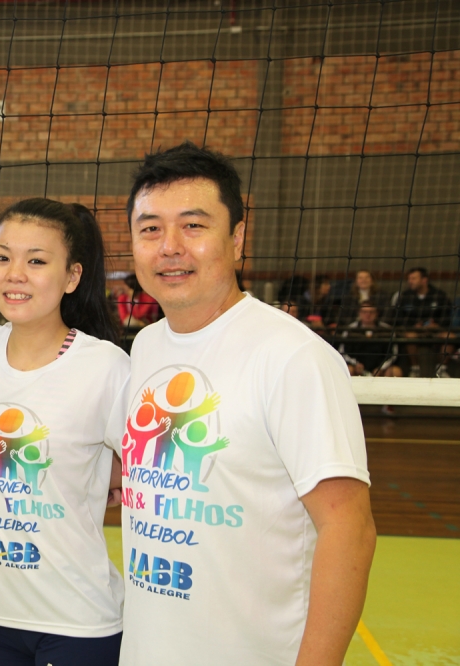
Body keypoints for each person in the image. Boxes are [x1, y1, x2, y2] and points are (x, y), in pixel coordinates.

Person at [119, 141, 375, 665]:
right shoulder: (146, 346)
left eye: (193, 226)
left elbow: (348, 529)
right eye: (150, 229)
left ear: (236, 238)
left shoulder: (293, 356)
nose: (170, 247)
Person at [0, 199, 130, 666]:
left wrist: (99, 477)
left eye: (36, 261)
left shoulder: (105, 366)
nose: (15, 274)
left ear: (72, 276)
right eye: (2, 257)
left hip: (75, 620)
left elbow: (141, 471)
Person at [387, 267, 453, 376]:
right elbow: (399, 319)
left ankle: (441, 369)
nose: (410, 281)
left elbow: (446, 317)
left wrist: (437, 326)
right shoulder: (405, 296)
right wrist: (413, 327)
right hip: (414, 331)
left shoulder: (439, 295)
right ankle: (415, 369)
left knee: (450, 337)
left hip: (435, 331)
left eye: (413, 278)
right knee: (410, 336)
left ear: (424, 280)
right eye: (409, 279)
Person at [338, 301, 403, 377]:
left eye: (371, 312)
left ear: (376, 313)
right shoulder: (349, 330)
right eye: (364, 312)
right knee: (348, 370)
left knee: (395, 371)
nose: (368, 315)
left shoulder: (387, 330)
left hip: (381, 368)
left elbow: (393, 354)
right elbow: (343, 352)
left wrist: (381, 368)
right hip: (357, 367)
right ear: (359, 313)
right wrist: (356, 364)